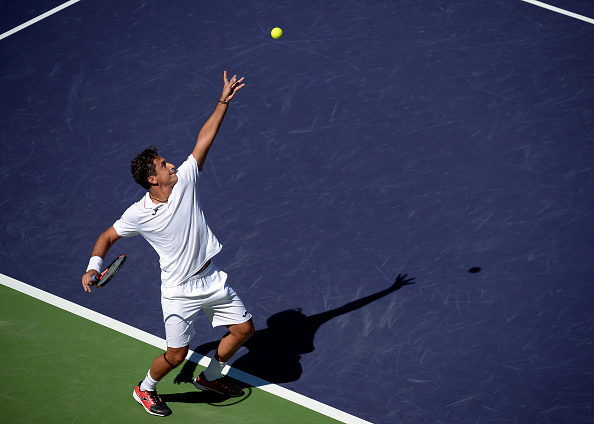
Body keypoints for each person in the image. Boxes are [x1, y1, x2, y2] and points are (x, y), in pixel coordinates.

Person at [81, 71, 254, 417]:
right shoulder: (138, 214)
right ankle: (144, 389)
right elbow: (107, 236)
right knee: (176, 356)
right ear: (152, 179)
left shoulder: (186, 180)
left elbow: (205, 140)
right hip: (178, 291)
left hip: (211, 278)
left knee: (244, 330)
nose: (172, 164)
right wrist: (93, 267)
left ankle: (210, 377)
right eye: (163, 165)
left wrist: (223, 102)